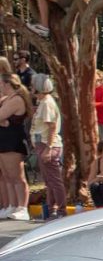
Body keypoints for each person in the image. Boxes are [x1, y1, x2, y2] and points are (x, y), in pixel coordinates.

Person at [30, 74, 66, 219]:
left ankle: (60, 210)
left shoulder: (47, 103)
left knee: (54, 180)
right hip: (42, 144)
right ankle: (52, 209)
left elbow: (51, 127)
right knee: (49, 180)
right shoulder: (43, 102)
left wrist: (48, 148)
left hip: (47, 144)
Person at [0, 73, 33, 220]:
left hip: (13, 141)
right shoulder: (6, 99)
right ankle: (11, 205)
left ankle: (22, 207)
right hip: (4, 139)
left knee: (17, 176)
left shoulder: (17, 99)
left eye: (1, 83)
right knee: (7, 175)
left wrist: (3, 120)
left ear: (8, 84)